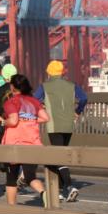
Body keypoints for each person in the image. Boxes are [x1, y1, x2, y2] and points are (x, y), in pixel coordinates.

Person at [35, 60, 87, 203]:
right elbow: (84, 98)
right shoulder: (72, 85)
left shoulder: (44, 86)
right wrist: (78, 111)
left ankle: (69, 186)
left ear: (49, 72)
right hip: (68, 125)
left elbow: (34, 99)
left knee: (58, 156)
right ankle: (59, 190)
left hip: (53, 125)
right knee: (60, 154)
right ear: (62, 72)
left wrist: (42, 106)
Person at [0, 74, 49, 206]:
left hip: (14, 144)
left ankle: (12, 209)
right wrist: (29, 119)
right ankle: (44, 193)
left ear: (12, 87)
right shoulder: (34, 101)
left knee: (11, 178)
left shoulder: (11, 102)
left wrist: (3, 122)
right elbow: (45, 118)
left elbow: (13, 121)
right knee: (30, 176)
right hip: (32, 143)